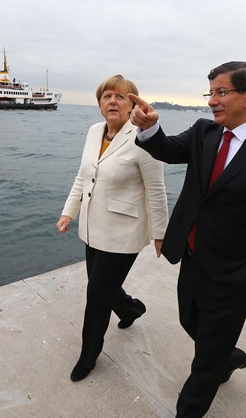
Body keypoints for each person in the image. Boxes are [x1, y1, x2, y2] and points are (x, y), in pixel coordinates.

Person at [129, 62, 246, 418]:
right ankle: (229, 356)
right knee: (189, 320)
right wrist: (149, 128)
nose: (212, 101)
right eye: (210, 92)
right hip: (193, 259)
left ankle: (185, 417)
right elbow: (167, 149)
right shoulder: (204, 133)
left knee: (205, 359)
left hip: (234, 275)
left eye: (221, 92)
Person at [56, 74, 168, 382]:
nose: (113, 101)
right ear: (99, 104)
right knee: (101, 285)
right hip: (93, 228)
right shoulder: (95, 131)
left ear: (132, 104)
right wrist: (69, 212)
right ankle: (131, 309)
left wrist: (161, 233)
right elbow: (83, 176)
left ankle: (89, 355)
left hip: (124, 233)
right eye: (107, 96)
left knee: (96, 296)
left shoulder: (143, 137)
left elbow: (156, 189)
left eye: (120, 96)